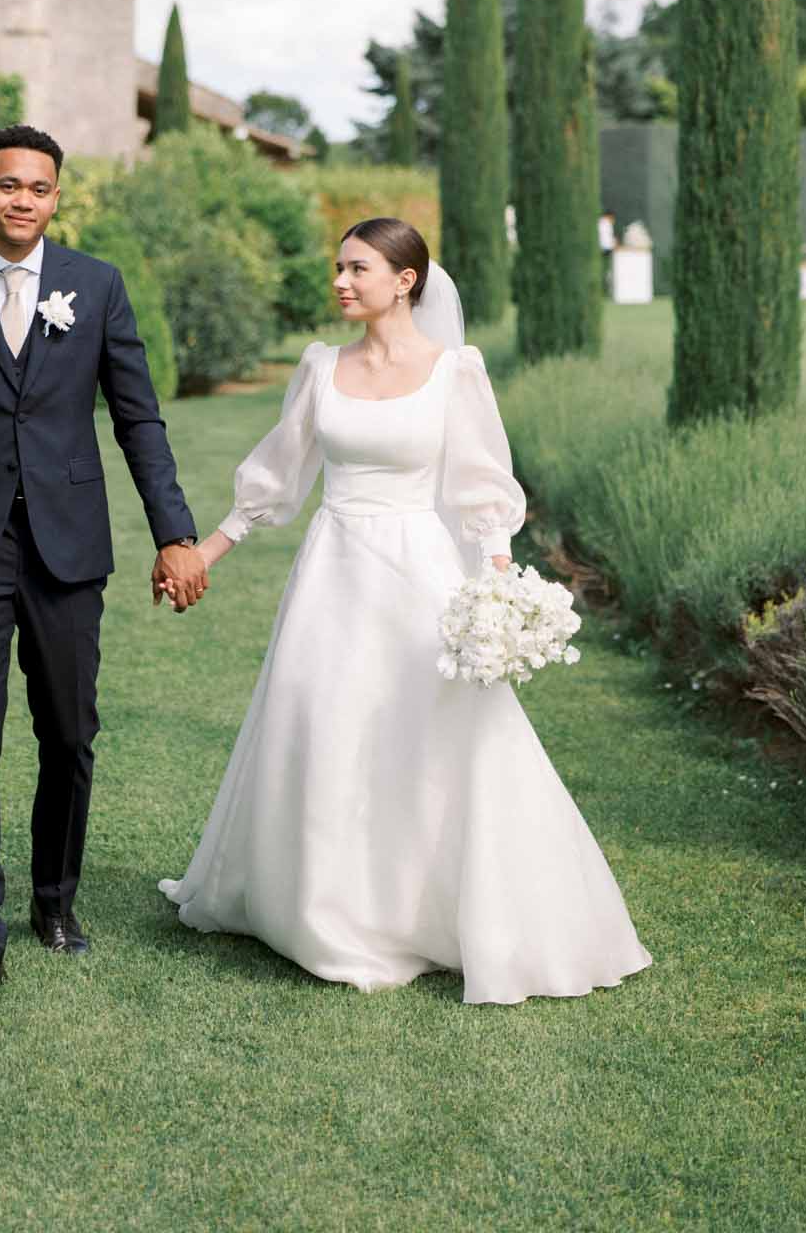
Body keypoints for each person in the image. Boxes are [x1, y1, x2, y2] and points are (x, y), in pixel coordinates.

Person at [157, 218, 652, 1004]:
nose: (340, 281)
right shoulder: (321, 367)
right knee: (325, 725)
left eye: (357, 269)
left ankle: (440, 912)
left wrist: (501, 594)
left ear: (404, 280)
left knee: (430, 736)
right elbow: (279, 476)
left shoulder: (454, 372)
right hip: (333, 575)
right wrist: (204, 552)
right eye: (339, 267)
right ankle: (326, 910)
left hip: (421, 576)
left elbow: (480, 490)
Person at [0, 124, 205, 1011]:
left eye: (38, 187)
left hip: (67, 547)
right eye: (7, 184)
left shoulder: (95, 286)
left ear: (56, 197)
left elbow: (137, 419)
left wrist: (174, 533)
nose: (22, 199)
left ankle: (54, 901)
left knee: (67, 733)